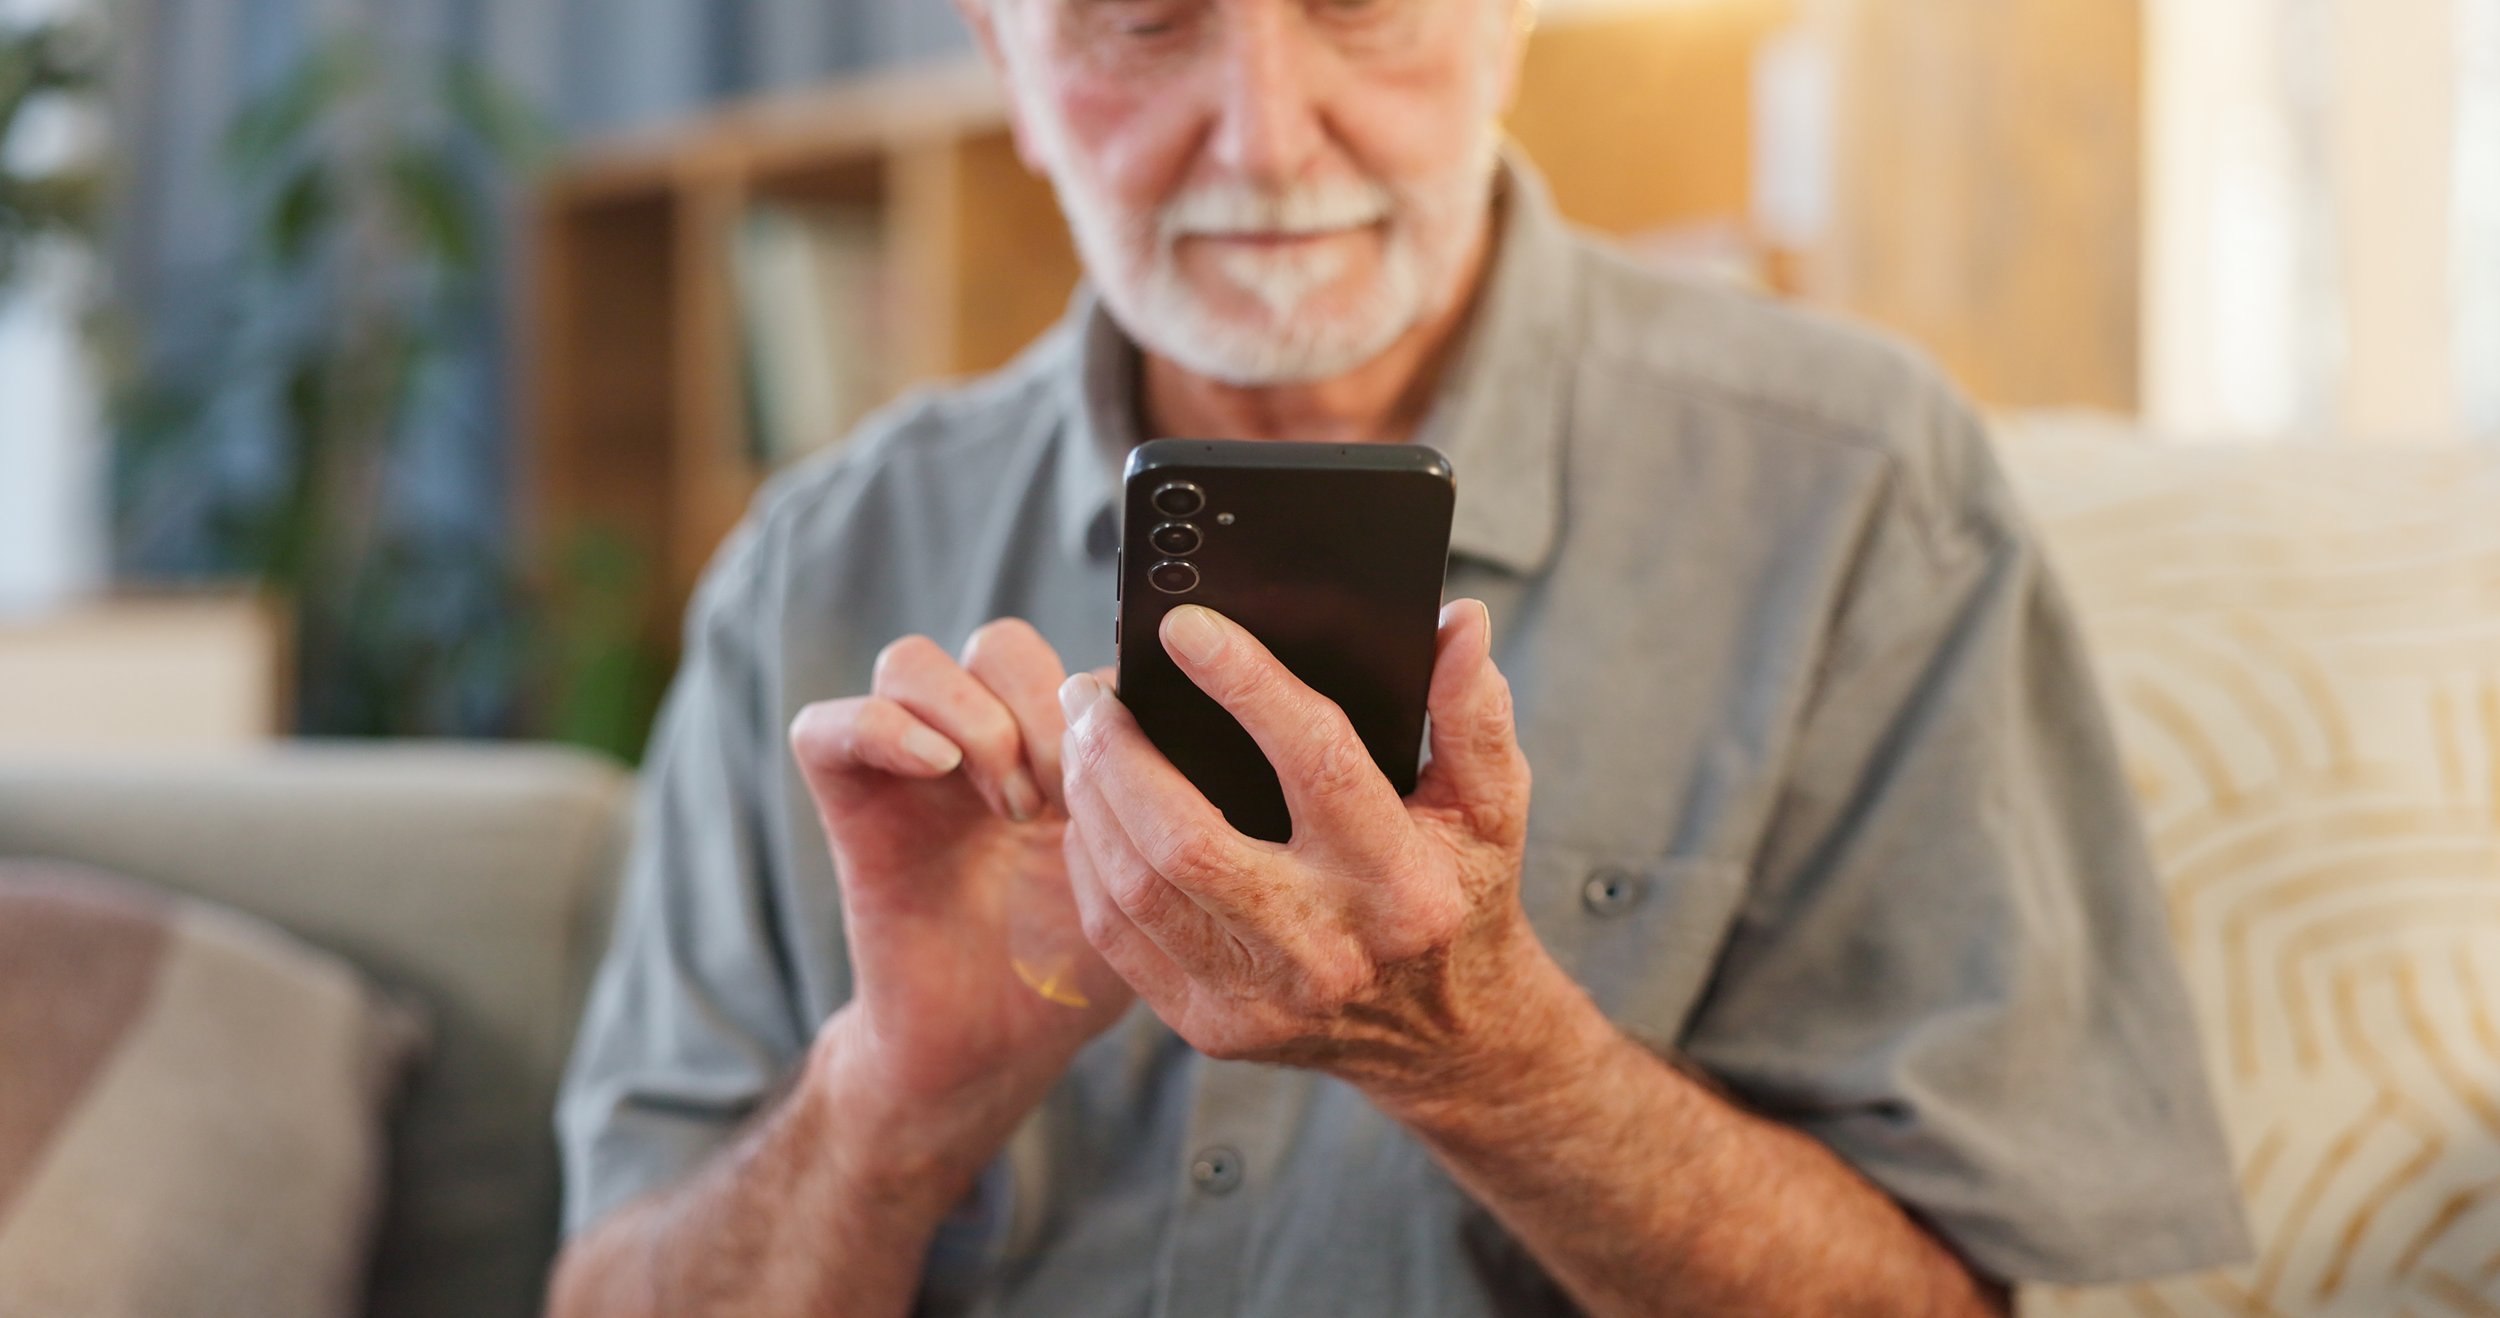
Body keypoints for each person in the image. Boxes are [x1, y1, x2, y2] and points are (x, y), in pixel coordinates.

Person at [548, 0, 2251, 1311]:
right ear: (1004, 46)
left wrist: (1496, 1057)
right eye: (1143, 19)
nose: (1265, 134)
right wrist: (893, 1099)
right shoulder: (818, 564)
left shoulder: (1855, 494)